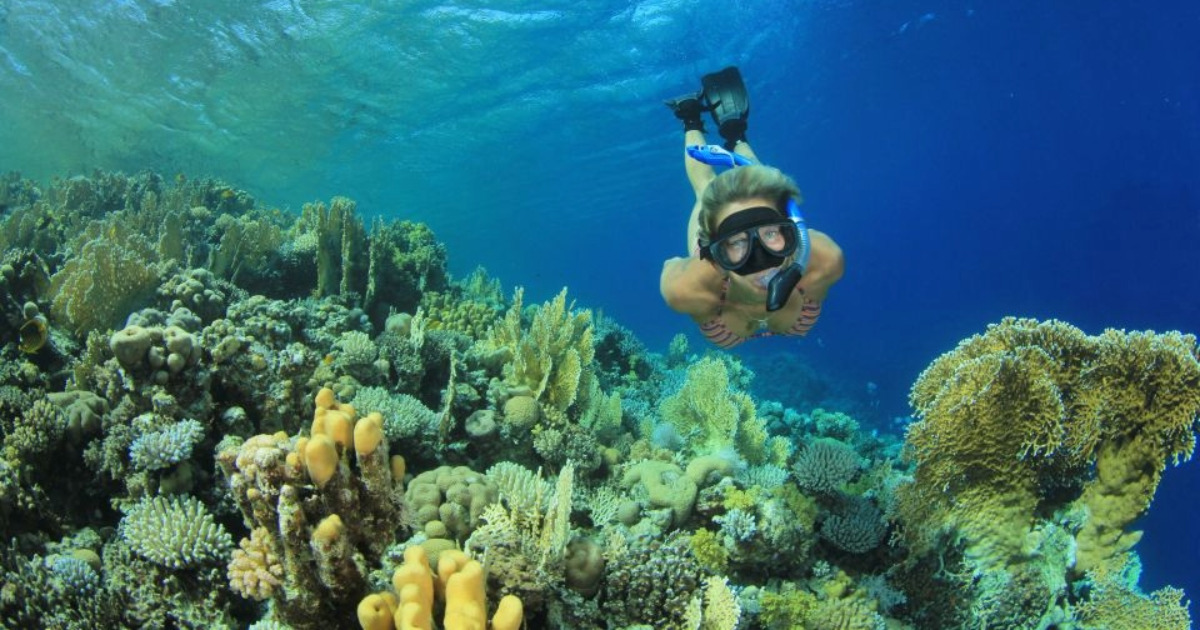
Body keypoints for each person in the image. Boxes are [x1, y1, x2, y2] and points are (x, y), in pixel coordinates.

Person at [660, 67, 844, 349]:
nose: (760, 260)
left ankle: (734, 134)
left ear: (793, 233)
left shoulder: (825, 263)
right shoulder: (688, 290)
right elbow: (670, 267)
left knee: (757, 180)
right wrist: (689, 265)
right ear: (712, 252)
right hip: (708, 267)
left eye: (771, 233)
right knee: (705, 187)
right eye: (734, 243)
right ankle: (691, 117)